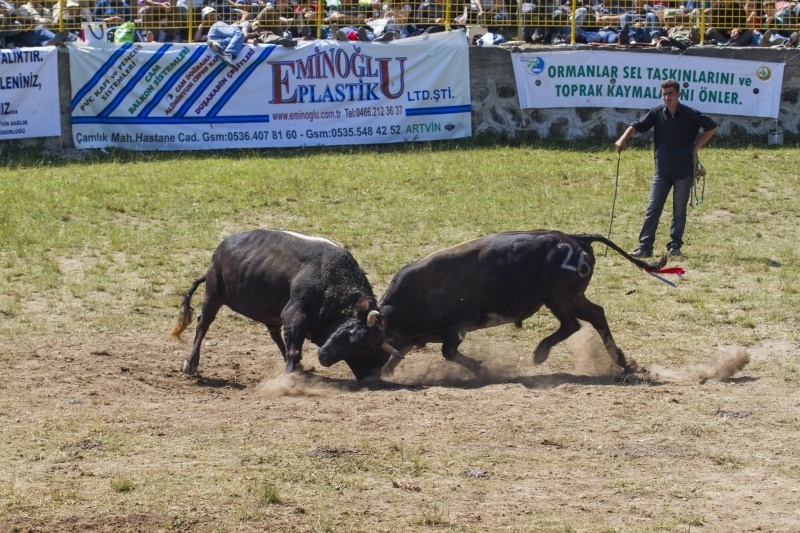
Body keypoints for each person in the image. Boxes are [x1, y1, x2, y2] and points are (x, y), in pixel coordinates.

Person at [614, 79, 717, 258]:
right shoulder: (656, 113)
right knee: (653, 208)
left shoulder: (690, 114)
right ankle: (645, 246)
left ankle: (675, 246)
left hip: (683, 169)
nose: (667, 97)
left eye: (670, 93)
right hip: (662, 170)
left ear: (678, 94)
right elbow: (637, 125)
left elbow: (711, 127)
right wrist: (623, 138)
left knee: (679, 210)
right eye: (664, 94)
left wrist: (695, 147)